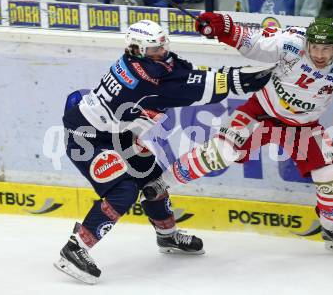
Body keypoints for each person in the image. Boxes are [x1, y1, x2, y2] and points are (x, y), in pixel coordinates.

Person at [143, 14, 333, 256]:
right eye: (314, 48)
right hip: (260, 113)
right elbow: (254, 41)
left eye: (326, 49)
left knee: (330, 176)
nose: (319, 54)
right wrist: (224, 28)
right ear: (306, 44)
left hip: (303, 127)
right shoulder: (292, 42)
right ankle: (163, 183)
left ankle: (331, 228)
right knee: (221, 152)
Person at [54, 19, 271, 284]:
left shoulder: (151, 64)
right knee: (123, 191)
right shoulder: (146, 82)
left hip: (116, 133)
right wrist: (245, 79)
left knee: (152, 180)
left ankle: (167, 235)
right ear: (136, 50)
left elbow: (185, 73)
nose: (162, 53)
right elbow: (202, 89)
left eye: (163, 46)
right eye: (154, 50)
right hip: (86, 136)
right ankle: (75, 248)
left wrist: (223, 55)